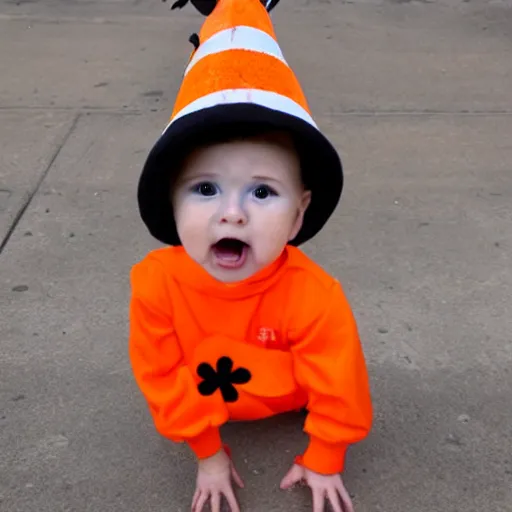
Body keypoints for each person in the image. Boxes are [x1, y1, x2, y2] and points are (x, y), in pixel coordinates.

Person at [129, 1, 372, 511]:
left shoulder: (314, 295)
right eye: (205, 189)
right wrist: (207, 454)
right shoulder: (156, 286)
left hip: (288, 400)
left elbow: (338, 382)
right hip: (209, 406)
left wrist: (326, 451)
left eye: (262, 193)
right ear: (170, 202)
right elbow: (162, 375)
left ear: (299, 214)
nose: (233, 214)